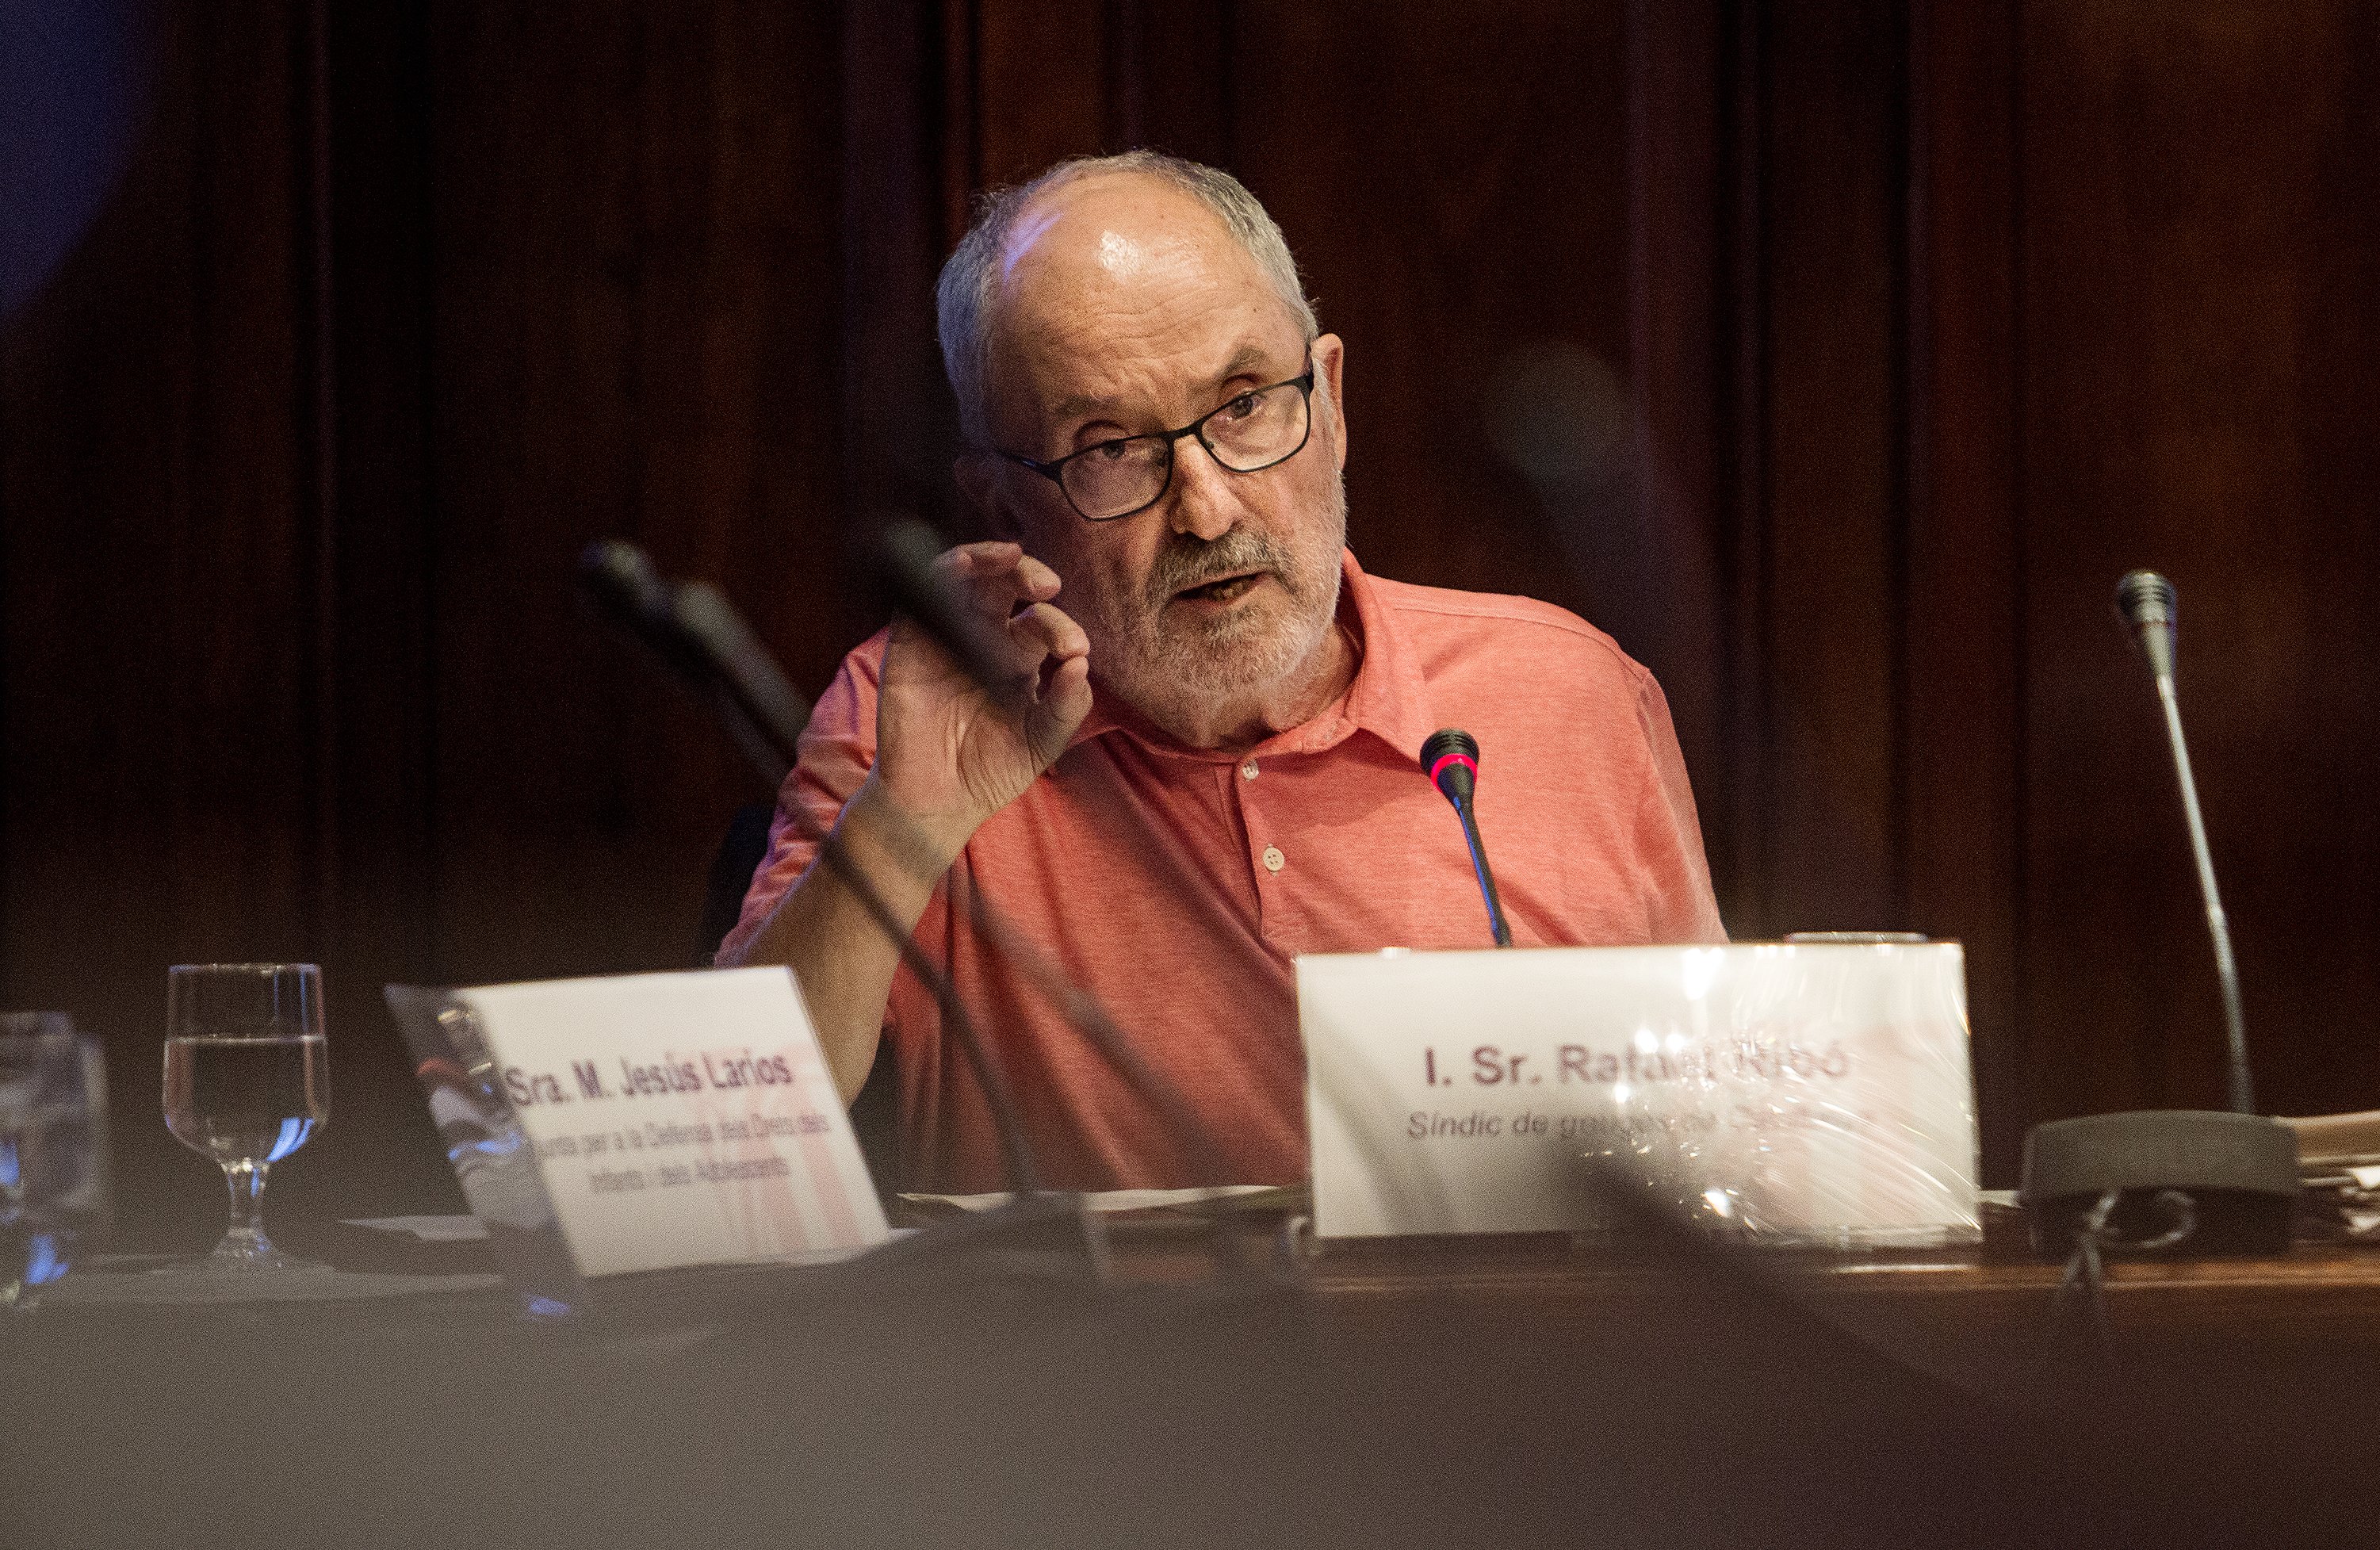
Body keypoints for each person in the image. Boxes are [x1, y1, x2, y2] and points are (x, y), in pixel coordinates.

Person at [721, 151, 1726, 1192]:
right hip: (1109, 1357)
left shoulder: (1573, 690)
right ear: (1001, 502)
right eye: (1108, 447)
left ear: (1329, 401)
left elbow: (1723, 1117)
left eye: (1244, 406)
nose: (1207, 509)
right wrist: (906, 820)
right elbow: (741, 1144)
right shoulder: (924, 713)